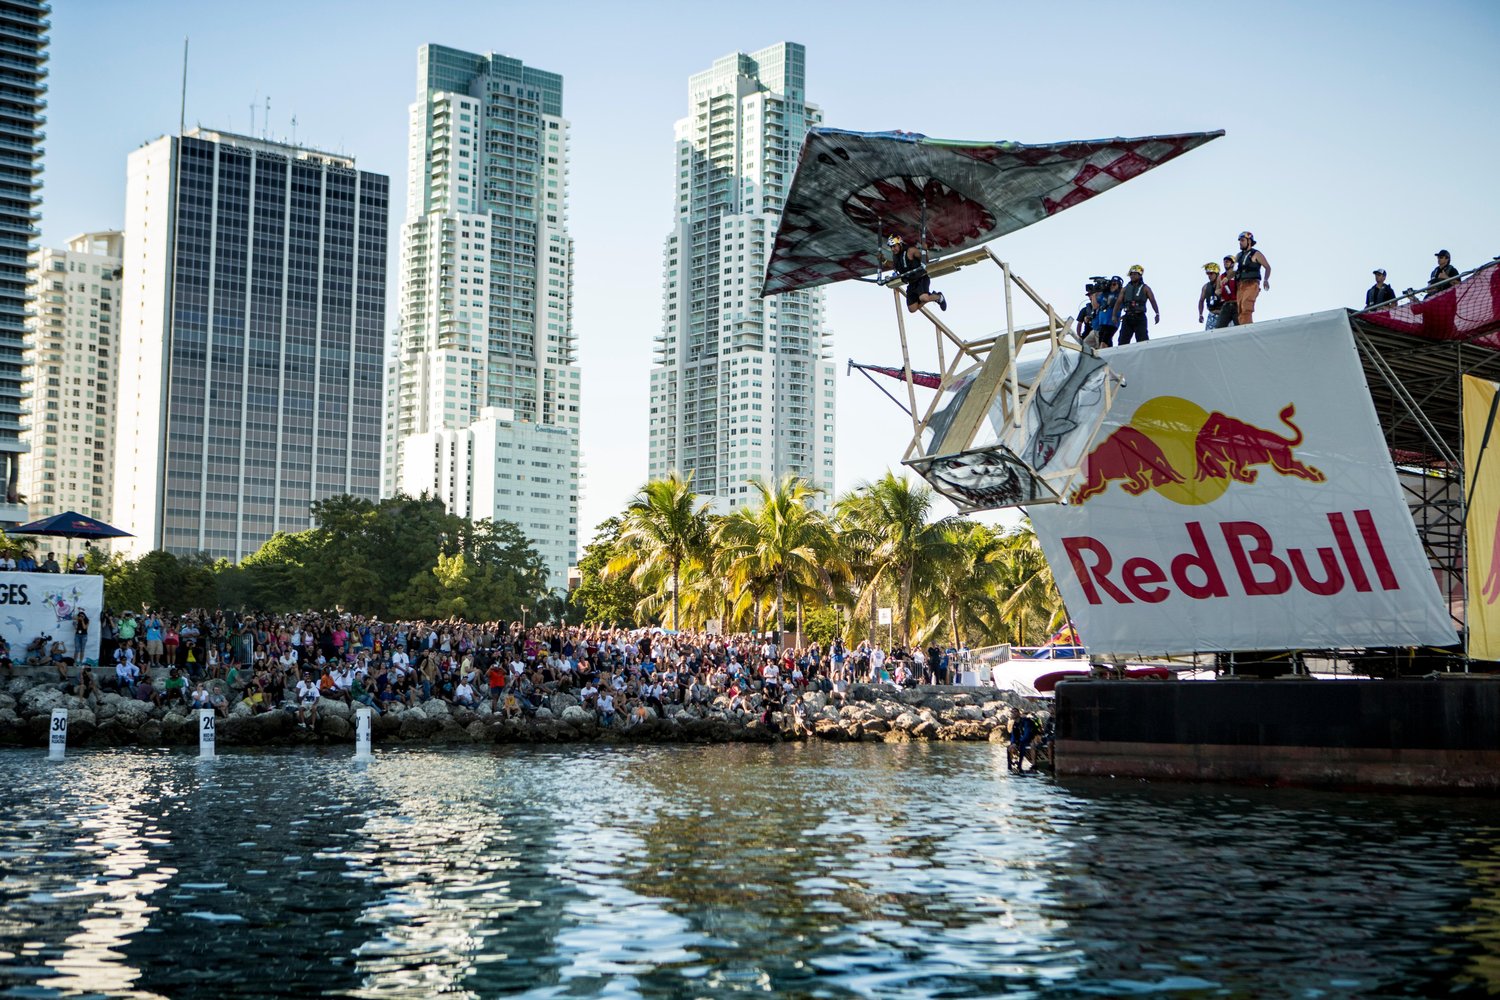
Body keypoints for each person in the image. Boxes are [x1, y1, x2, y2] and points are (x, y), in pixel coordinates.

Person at [885, 234, 947, 314]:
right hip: (911, 283)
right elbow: (894, 266)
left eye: (894, 246)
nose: (893, 249)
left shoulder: (911, 251)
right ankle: (930, 296)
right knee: (912, 309)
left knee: (924, 298)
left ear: (900, 244)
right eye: (891, 247)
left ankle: (939, 297)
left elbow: (925, 261)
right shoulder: (896, 256)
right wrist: (884, 261)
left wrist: (925, 250)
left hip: (921, 278)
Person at [1233, 231, 1271, 324]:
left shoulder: (1256, 254)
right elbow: (1234, 270)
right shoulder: (1239, 255)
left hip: (1251, 283)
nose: (1240, 243)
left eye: (1242, 240)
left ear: (1249, 241)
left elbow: (1267, 267)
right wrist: (1226, 278)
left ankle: (1247, 328)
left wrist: (1266, 280)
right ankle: (1243, 328)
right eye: (1239, 241)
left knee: (1246, 305)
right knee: (1240, 308)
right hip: (1240, 284)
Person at [1116, 265, 1160, 344]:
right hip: (1128, 317)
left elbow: (1153, 301)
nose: (1132, 276)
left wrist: (1157, 313)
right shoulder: (1125, 289)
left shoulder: (1145, 288)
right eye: (1131, 274)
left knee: (1143, 341)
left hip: (1140, 317)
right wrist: (1114, 315)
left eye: (1135, 274)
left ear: (1140, 275)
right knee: (1122, 342)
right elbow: (1118, 302)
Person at [1088, 276, 1123, 348]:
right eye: (1111, 284)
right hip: (1102, 323)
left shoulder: (1120, 295)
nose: (1112, 286)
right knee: (1105, 344)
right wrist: (1093, 294)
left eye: (1115, 284)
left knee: (1103, 344)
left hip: (1112, 324)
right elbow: (1095, 306)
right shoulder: (1104, 294)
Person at [1198, 262, 1224, 329]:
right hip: (1212, 315)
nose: (1209, 275)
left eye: (1211, 273)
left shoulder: (1223, 284)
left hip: (1224, 314)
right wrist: (1200, 314)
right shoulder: (1206, 287)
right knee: (1210, 336)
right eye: (1208, 274)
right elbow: (1201, 301)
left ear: (1217, 273)